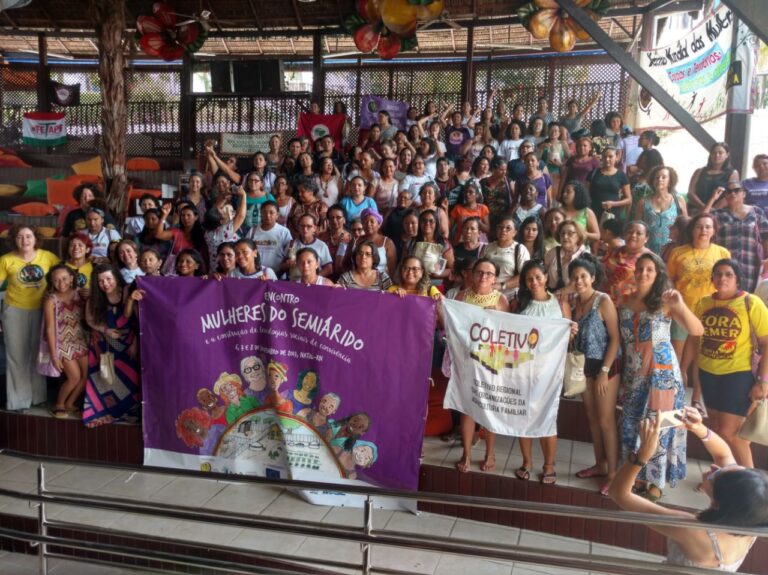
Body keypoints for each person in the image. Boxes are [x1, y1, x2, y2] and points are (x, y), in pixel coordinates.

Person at [610, 408, 765, 571]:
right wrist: (699, 428)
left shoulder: (691, 529)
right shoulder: (752, 518)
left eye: (717, 474)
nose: (714, 466)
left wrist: (641, 456)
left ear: (719, 503)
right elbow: (723, 455)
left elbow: (619, 494)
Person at [618, 253, 703, 501]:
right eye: (640, 268)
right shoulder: (625, 301)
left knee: (661, 426)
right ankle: (636, 475)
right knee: (634, 424)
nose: (643, 273)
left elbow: (697, 329)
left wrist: (680, 305)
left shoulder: (666, 301)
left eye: (650, 269)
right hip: (634, 374)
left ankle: (656, 481)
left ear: (658, 274)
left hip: (662, 375)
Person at [690, 258, 768, 468]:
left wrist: (763, 380)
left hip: (737, 375)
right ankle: (725, 475)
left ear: (737, 279)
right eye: (717, 274)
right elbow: (695, 339)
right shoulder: (703, 303)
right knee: (716, 429)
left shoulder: (751, 303)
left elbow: (766, 342)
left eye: (728, 274)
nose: (722, 278)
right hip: (708, 374)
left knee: (731, 433)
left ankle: (750, 480)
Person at [512, 259, 576, 484]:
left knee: (548, 417)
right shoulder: (519, 303)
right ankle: (527, 462)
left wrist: (571, 331)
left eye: (538, 277)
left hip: (549, 372)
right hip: (523, 370)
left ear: (546, 277)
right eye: (529, 279)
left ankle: (549, 465)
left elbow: (567, 337)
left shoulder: (560, 303)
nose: (534, 282)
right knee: (523, 416)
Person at [569, 255, 620, 495]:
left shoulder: (603, 300)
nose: (579, 281)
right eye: (574, 277)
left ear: (592, 277)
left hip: (605, 367)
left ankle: (613, 475)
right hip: (584, 366)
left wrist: (604, 371)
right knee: (592, 419)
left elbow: (615, 338)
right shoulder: (574, 302)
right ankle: (600, 464)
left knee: (606, 421)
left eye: (583, 276)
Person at [454, 259, 510, 473]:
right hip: (467, 359)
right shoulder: (462, 296)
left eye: (489, 273)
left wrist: (496, 316)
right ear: (472, 274)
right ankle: (467, 453)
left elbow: (507, 334)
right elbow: (454, 325)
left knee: (489, 408)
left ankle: (490, 453)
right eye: (479, 272)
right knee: (467, 408)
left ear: (495, 278)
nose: (484, 276)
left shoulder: (501, 299)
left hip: (490, 362)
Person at [0, 225, 60, 410]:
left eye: (28, 236)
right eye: (19, 237)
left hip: (43, 310)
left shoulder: (48, 257)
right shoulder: (6, 260)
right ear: (14, 240)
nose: (24, 240)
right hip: (14, 311)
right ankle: (18, 401)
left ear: (35, 239)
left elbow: (62, 278)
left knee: (38, 353)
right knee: (16, 355)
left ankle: (38, 397)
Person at [666, 213, 730, 368]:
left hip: (711, 311)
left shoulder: (722, 253)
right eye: (699, 227)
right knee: (676, 352)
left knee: (702, 353)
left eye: (708, 227)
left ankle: (696, 382)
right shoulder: (678, 252)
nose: (703, 230)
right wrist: (674, 300)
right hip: (682, 309)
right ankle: (677, 380)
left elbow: (727, 281)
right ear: (692, 230)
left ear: (714, 230)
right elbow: (668, 278)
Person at [83, 264, 141, 427]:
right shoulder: (94, 297)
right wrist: (106, 330)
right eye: (101, 281)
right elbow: (89, 320)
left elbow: (137, 319)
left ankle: (129, 412)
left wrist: (135, 342)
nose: (105, 284)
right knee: (104, 379)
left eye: (109, 279)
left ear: (116, 277)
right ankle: (103, 412)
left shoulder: (127, 292)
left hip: (128, 343)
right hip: (103, 345)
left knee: (130, 378)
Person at [42, 264, 88, 418]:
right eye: (56, 280)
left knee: (87, 375)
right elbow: (49, 329)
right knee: (74, 377)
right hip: (62, 343)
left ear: (71, 278)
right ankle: (59, 404)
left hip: (80, 340)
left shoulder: (79, 294)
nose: (61, 283)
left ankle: (70, 403)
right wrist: (54, 356)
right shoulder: (51, 300)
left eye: (64, 278)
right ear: (51, 282)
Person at [705, 180, 768, 293]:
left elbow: (766, 237)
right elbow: (701, 221)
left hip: (751, 265)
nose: (732, 193)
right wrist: (713, 199)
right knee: (725, 296)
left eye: (736, 190)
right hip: (725, 266)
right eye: (729, 192)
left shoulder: (756, 212)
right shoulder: (718, 214)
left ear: (744, 193)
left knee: (748, 298)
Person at [634, 166, 687, 254]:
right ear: (652, 180)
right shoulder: (643, 202)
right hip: (648, 250)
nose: (660, 179)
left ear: (670, 181)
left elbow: (685, 226)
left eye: (664, 177)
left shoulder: (679, 200)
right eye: (657, 177)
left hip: (672, 250)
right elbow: (637, 227)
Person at [602, 220, 651, 305]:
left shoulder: (650, 259)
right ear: (624, 235)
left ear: (646, 238)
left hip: (630, 306)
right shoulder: (615, 251)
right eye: (630, 232)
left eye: (639, 233)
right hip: (605, 301)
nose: (633, 235)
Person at [203, 185, 247, 272]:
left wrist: (224, 195)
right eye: (222, 212)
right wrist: (243, 196)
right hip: (228, 271)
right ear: (221, 221)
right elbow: (241, 216)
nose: (224, 211)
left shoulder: (207, 233)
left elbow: (213, 211)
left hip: (214, 270)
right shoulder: (225, 230)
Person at [688, 142, 740, 213]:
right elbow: (691, 193)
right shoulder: (699, 171)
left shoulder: (733, 173)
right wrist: (704, 208)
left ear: (727, 155)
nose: (717, 155)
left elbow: (731, 195)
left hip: (719, 212)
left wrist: (712, 210)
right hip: (696, 209)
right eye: (714, 153)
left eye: (720, 153)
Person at [246, 200, 292, 276]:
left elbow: (288, 255)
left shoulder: (284, 232)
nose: (267, 215)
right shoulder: (253, 231)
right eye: (264, 212)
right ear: (261, 214)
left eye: (271, 212)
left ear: (277, 215)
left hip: (278, 274)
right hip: (257, 274)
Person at [409, 209, 454, 284]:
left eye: (431, 221)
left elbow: (452, 269)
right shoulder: (412, 241)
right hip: (414, 283)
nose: (427, 223)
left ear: (436, 223)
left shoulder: (443, 243)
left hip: (435, 284)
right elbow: (404, 262)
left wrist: (438, 274)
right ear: (419, 223)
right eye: (424, 220)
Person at [284, 214, 333, 280]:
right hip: (294, 282)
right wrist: (288, 264)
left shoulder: (321, 246)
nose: (305, 229)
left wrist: (314, 279)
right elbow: (282, 265)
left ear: (314, 228)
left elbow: (329, 269)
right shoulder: (291, 244)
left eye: (309, 226)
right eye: (302, 226)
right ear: (298, 227)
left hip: (313, 284)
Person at [588, 146, 631, 222]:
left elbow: (629, 199)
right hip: (593, 212)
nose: (607, 159)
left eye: (610, 157)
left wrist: (613, 204)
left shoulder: (621, 176)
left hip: (613, 213)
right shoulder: (594, 173)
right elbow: (586, 192)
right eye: (605, 157)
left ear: (616, 157)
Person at [543, 219, 588, 291]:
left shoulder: (584, 256)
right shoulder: (554, 251)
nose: (565, 236)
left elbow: (585, 284)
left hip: (575, 295)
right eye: (562, 233)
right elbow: (541, 270)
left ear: (578, 236)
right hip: (551, 292)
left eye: (570, 234)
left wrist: (559, 293)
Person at [560, 180, 600, 246]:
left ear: (578, 194)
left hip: (581, 248)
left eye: (568, 192)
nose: (564, 194)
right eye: (563, 192)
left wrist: (581, 233)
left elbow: (597, 236)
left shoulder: (587, 212)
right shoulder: (558, 211)